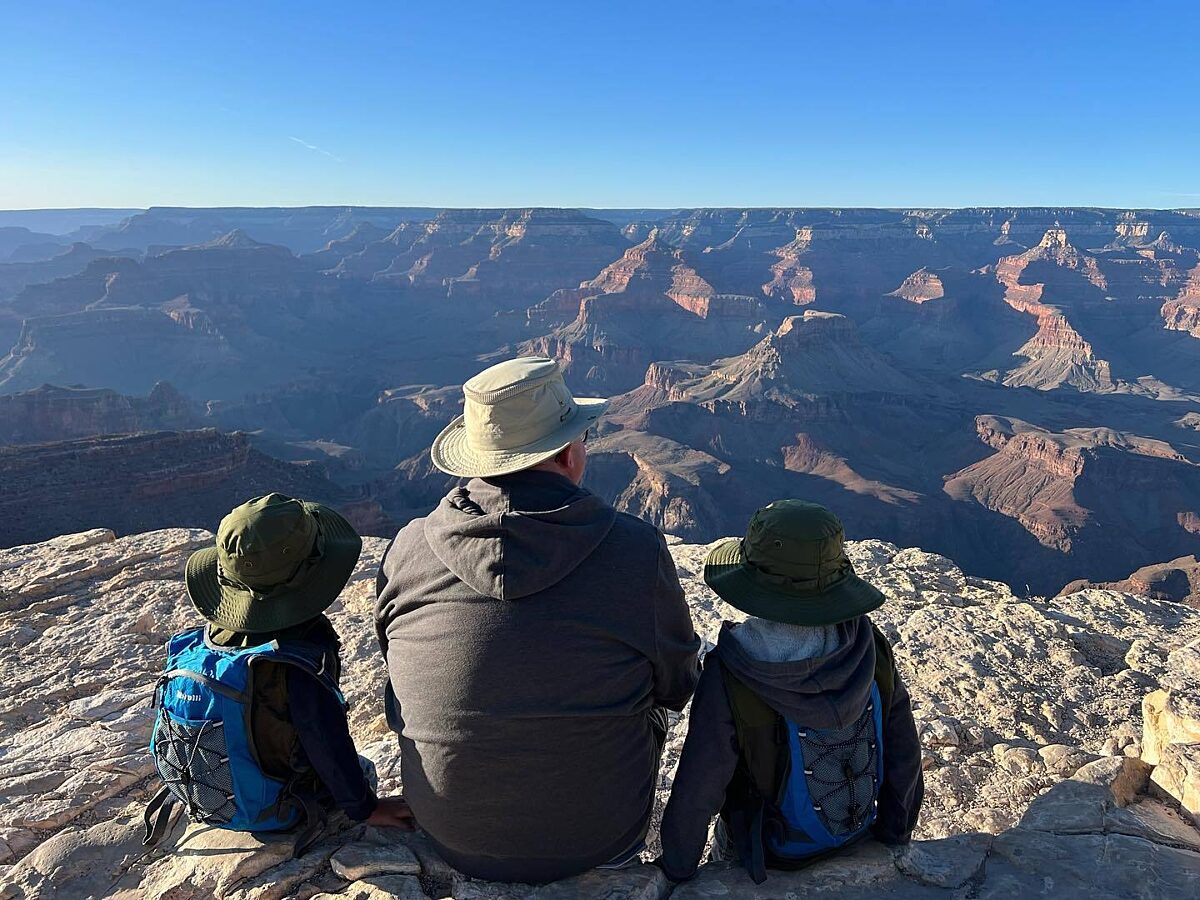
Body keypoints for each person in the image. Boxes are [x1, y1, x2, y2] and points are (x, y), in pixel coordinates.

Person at [375, 356, 701, 883]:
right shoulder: (636, 551)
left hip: (450, 832)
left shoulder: (407, 548)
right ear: (571, 453)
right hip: (599, 839)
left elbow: (396, 676)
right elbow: (677, 685)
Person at [657, 500, 923, 884]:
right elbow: (903, 751)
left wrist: (676, 870)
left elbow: (701, 783)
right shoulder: (869, 646)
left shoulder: (732, 671)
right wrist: (895, 833)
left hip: (774, 854)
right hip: (858, 833)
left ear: (752, 580)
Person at [144, 493, 412, 852]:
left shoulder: (201, 642)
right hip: (280, 810)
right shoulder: (296, 659)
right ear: (312, 574)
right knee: (363, 769)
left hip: (203, 796)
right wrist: (366, 808)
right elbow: (325, 740)